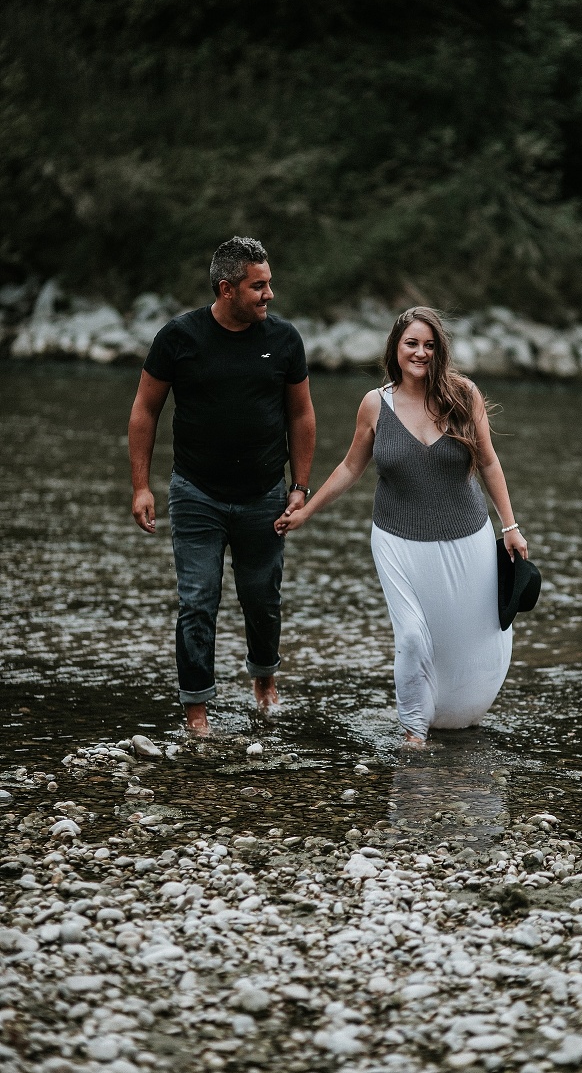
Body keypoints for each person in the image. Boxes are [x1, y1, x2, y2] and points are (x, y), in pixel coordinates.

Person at [275, 306, 527, 745]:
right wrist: (306, 509)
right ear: (396, 347)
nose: (421, 353)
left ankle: (457, 711)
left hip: (468, 540)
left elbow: (488, 461)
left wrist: (510, 526)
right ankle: (414, 732)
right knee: (412, 636)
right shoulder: (376, 404)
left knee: (466, 640)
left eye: (429, 345)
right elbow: (352, 467)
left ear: (440, 351)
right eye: (412, 343)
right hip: (397, 541)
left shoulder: (464, 396)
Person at [128, 237, 316, 734]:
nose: (269, 294)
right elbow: (145, 410)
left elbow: (301, 414)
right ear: (226, 288)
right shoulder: (179, 338)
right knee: (197, 601)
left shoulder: (285, 340)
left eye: (270, 283)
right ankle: (197, 712)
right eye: (259, 286)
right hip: (196, 494)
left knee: (262, 598)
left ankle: (264, 679)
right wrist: (141, 487)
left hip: (264, 495)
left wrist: (300, 487)